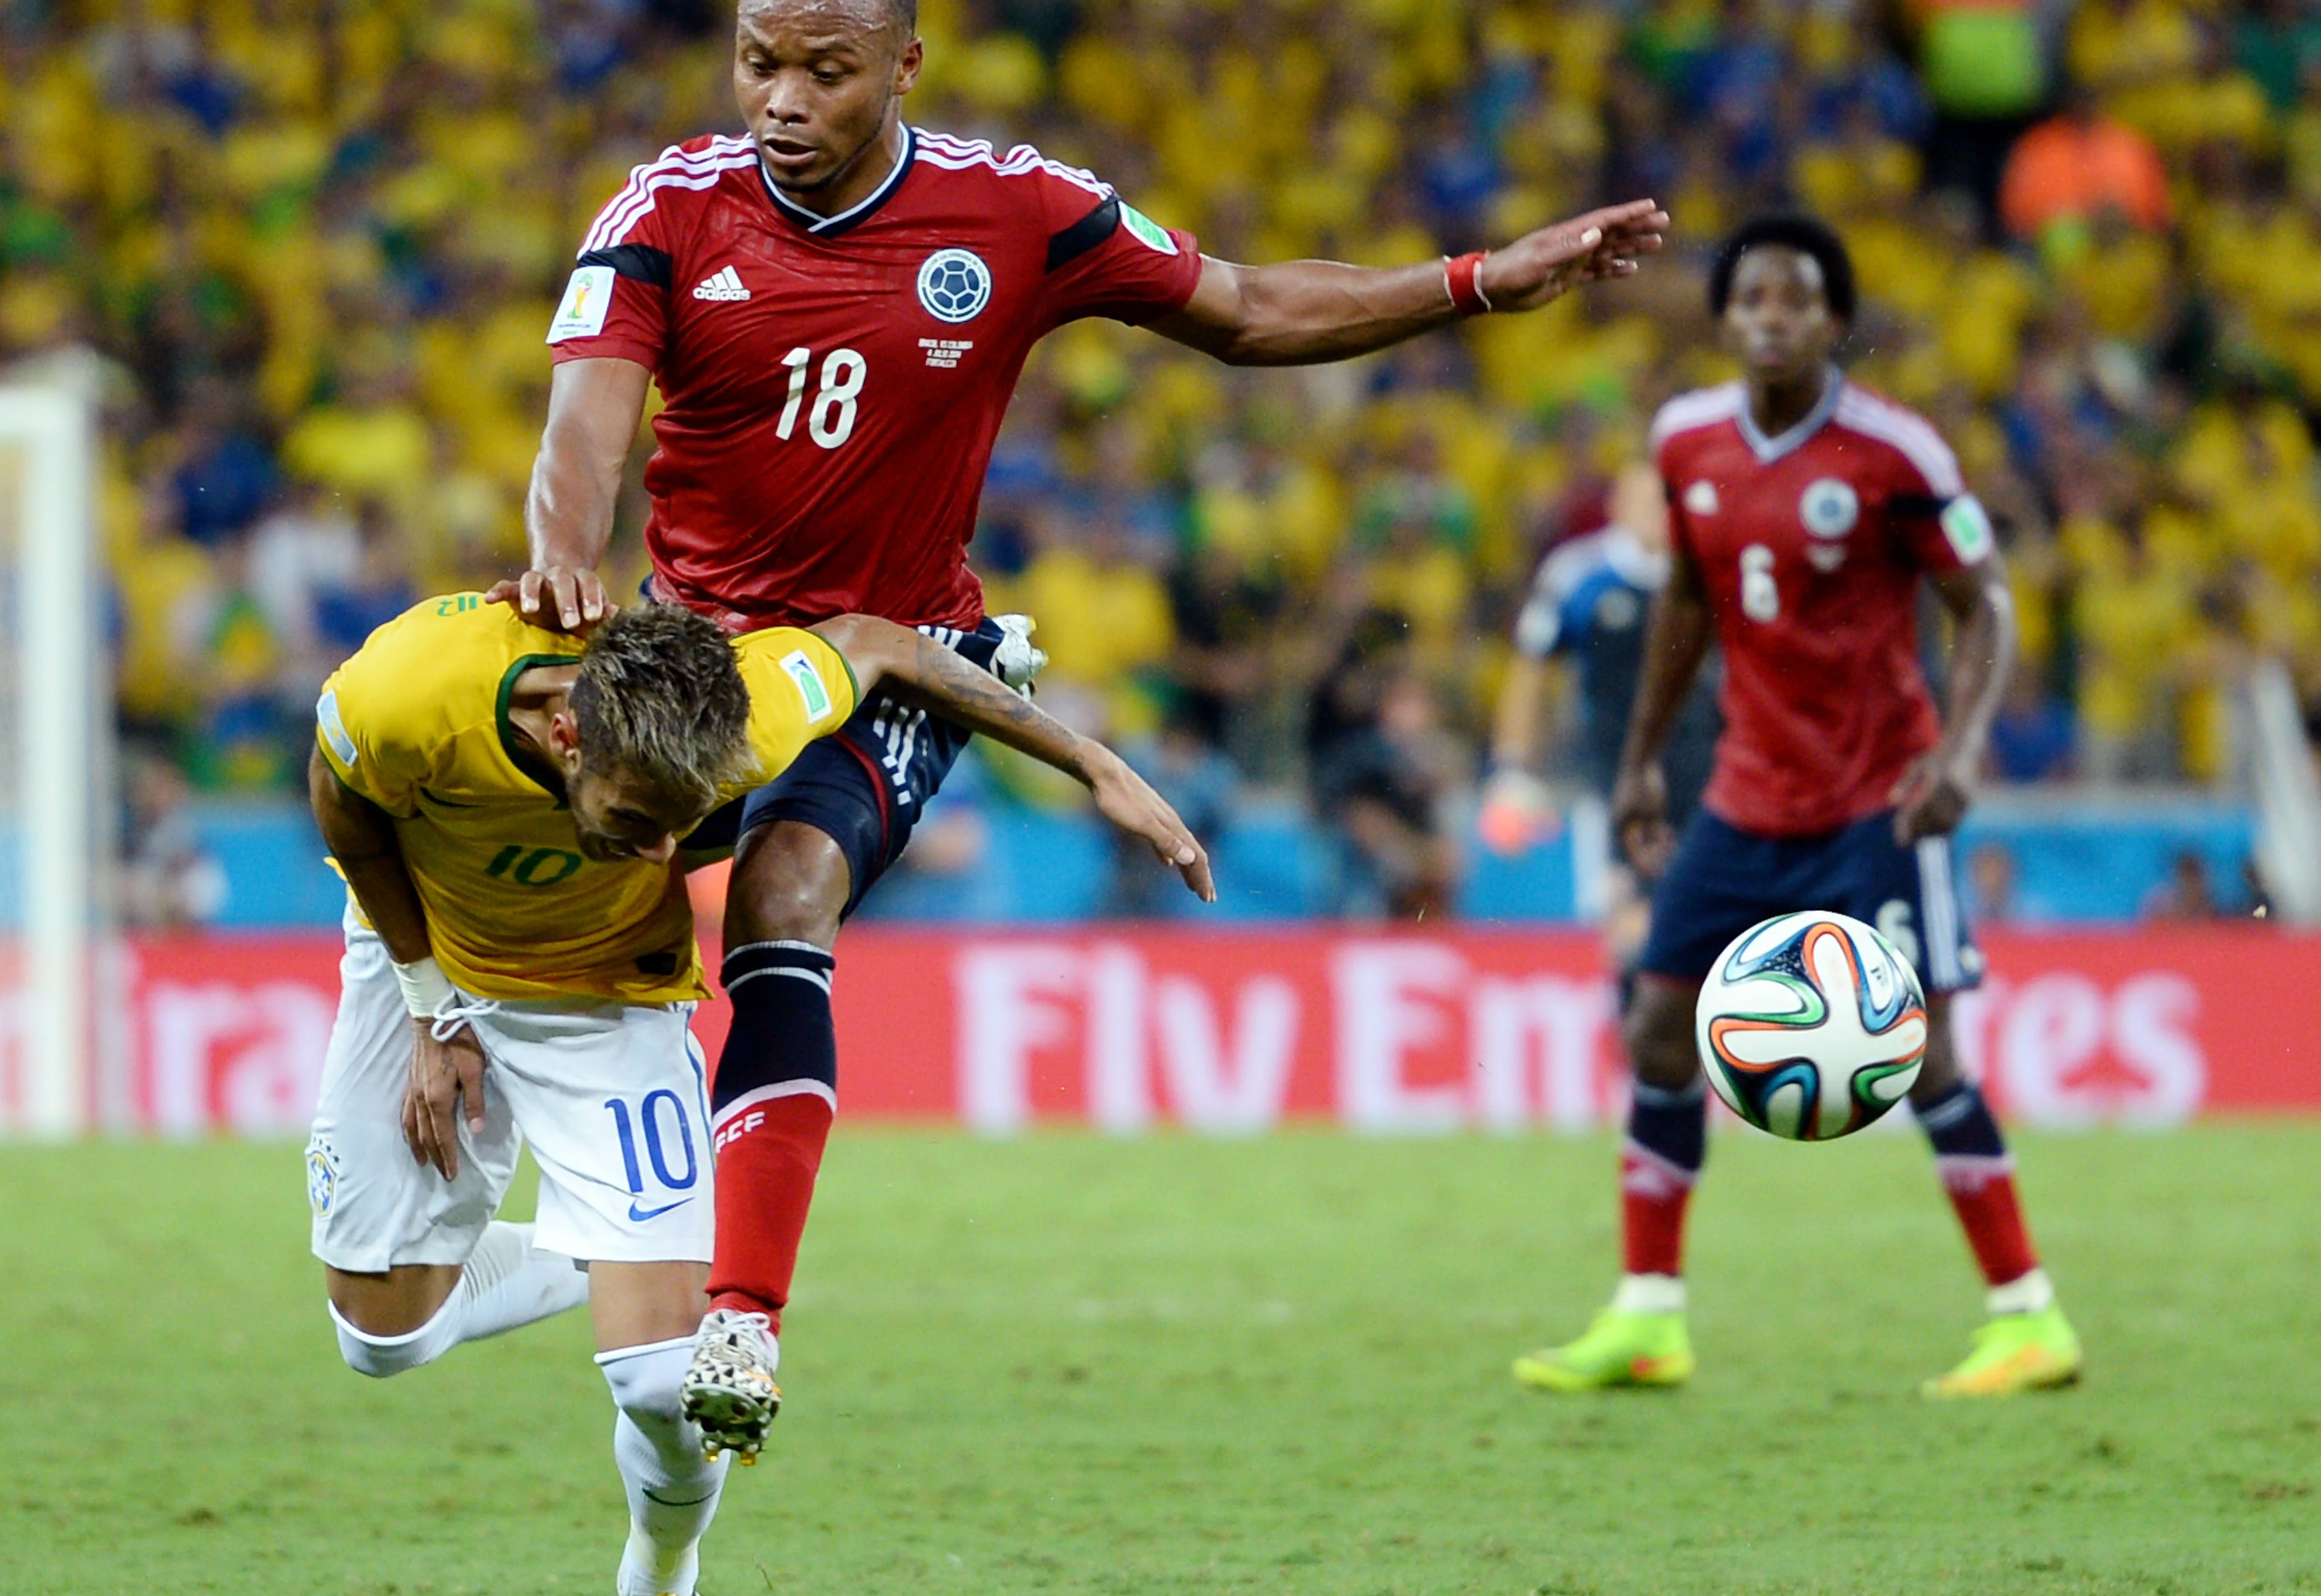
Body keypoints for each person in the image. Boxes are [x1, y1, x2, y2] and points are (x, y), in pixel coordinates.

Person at [499, 0, 1668, 1458]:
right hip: (701, 671)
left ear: (901, 67)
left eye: (822, 69)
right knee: (570, 922)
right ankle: (518, 1168)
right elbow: (580, 438)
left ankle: (744, 1312)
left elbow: (1242, 309)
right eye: (756, 63)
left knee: (786, 897)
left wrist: (1477, 280)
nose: (779, 100)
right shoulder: (669, 209)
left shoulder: (1011, 212)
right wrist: (563, 556)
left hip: (902, 666)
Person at [305, 596, 1208, 1596]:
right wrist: (431, 1007)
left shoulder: (754, 706)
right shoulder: (412, 689)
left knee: (666, 1387)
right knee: (381, 1339)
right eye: (639, 820)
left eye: (681, 827)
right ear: (566, 734)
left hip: (607, 994)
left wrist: (1094, 764)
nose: (660, 856)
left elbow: (882, 645)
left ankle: (659, 1576)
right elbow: (344, 802)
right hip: (421, 952)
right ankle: (603, 1250)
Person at [1513, 216, 2079, 1400]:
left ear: (1833, 323)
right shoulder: (1686, 442)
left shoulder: (1896, 453)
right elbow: (1687, 610)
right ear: (1725, 321)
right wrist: (1638, 763)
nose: (1773, 316)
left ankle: (2028, 1314)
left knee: (1922, 1052)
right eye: (1753, 298)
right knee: (1662, 1029)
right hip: (1745, 793)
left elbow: (1990, 606)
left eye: (1797, 299)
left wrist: (1963, 752)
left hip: (1883, 795)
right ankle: (1648, 1315)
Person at [1483, 460, 1724, 988]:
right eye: (1643, 502)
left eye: (1665, 502)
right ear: (1616, 508)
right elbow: (1530, 673)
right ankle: (1644, 1069)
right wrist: (1512, 769)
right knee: (1631, 940)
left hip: (1708, 782)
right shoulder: (1579, 574)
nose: (1656, 515)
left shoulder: (1711, 570)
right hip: (1614, 785)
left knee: (1714, 938)